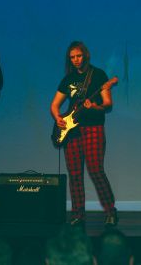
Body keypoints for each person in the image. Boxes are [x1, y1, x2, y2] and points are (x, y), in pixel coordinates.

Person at [50, 41, 118, 228]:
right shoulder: (68, 79)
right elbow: (54, 105)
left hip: (93, 127)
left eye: (78, 56)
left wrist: (94, 106)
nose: (76, 60)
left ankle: (111, 211)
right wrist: (58, 118)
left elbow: (108, 104)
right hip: (72, 131)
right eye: (72, 57)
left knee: (95, 169)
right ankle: (78, 214)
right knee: (75, 173)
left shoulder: (99, 75)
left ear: (85, 56)